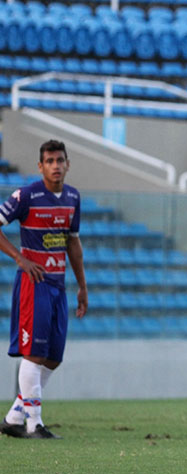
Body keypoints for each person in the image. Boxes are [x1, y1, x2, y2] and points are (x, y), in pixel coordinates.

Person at [0, 139, 87, 439]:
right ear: (40, 166)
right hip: (33, 285)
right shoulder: (26, 195)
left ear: (67, 164)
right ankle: (33, 423)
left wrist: (82, 287)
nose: (55, 166)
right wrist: (20, 259)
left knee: (53, 357)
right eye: (49, 161)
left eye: (60, 160)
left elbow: (73, 243)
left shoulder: (73, 197)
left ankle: (13, 416)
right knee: (34, 355)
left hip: (58, 286)